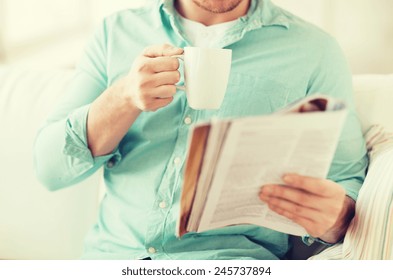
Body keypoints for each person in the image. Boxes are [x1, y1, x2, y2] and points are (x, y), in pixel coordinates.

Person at [34, 0, 368, 260]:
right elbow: (49, 168)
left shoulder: (314, 51)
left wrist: (336, 218)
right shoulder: (115, 33)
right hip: (113, 260)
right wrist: (122, 98)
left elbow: (348, 180)